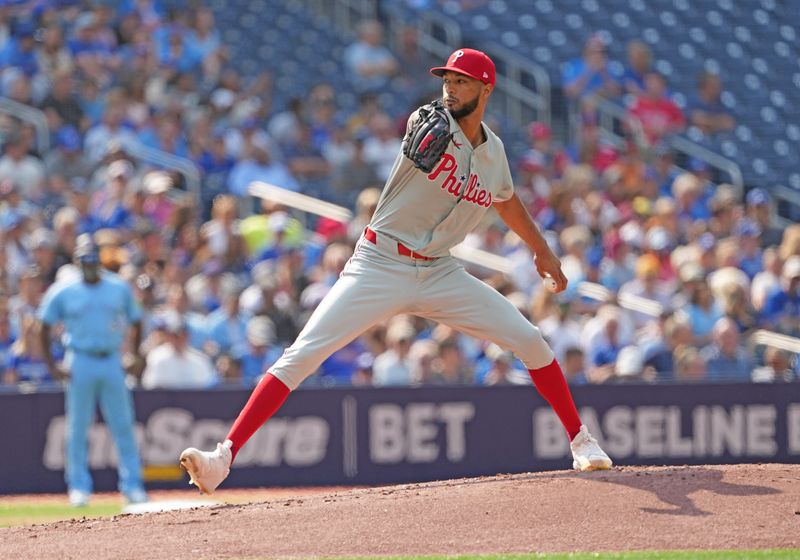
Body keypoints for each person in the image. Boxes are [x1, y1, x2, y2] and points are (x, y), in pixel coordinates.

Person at [180, 48, 612, 494]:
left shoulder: (494, 152)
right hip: (380, 262)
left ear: (486, 89)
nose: (450, 87)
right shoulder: (430, 122)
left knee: (530, 339)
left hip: (440, 271)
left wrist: (542, 251)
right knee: (302, 354)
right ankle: (223, 458)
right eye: (447, 79)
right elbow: (419, 136)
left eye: (462, 81)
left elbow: (505, 198)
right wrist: (432, 133)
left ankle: (581, 440)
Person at [38, 234, 148, 507]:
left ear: (99, 260)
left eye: (92, 259)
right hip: (80, 359)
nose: (88, 265)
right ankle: (78, 487)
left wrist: (134, 353)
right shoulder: (63, 290)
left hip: (111, 358)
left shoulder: (118, 287)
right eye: (83, 260)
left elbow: (136, 320)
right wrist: (53, 365)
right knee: (77, 427)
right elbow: (43, 325)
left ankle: (132, 486)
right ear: (76, 261)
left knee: (123, 424)